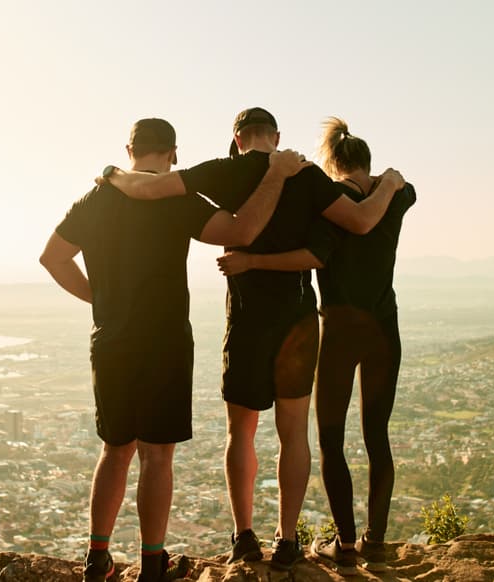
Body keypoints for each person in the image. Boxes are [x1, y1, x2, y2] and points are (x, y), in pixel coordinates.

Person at [102, 108, 405, 572]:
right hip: (298, 321)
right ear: (276, 136)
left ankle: (244, 536)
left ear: (238, 138)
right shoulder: (306, 175)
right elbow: (361, 222)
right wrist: (390, 184)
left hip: (245, 318)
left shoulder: (225, 171)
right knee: (293, 433)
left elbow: (149, 187)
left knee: (239, 433)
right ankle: (287, 539)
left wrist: (113, 174)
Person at [39, 118, 308, 582]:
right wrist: (276, 175)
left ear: (129, 150)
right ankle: (151, 564)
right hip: (164, 340)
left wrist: (99, 300)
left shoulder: (95, 198)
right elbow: (243, 230)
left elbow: (52, 257)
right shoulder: (177, 199)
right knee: (157, 457)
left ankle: (97, 557)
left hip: (111, 340)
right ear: (174, 154)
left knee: (114, 450)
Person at [217, 117, 416, 575]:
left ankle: (344, 545)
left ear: (332, 162)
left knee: (330, 439)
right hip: (384, 330)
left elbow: (318, 252)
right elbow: (404, 189)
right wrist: (386, 182)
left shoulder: (329, 204)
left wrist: (251, 261)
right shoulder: (395, 196)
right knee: (377, 434)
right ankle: (376, 542)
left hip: (341, 331)